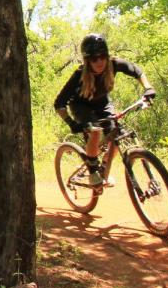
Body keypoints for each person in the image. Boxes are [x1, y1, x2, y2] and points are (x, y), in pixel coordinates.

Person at [54, 33, 156, 186]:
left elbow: (137, 71)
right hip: (80, 106)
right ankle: (93, 169)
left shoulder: (114, 64)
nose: (100, 61)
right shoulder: (79, 75)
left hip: (103, 103)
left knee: (117, 136)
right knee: (95, 131)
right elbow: (59, 103)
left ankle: (104, 168)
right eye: (94, 59)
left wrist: (148, 88)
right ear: (88, 61)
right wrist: (71, 123)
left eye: (103, 56)